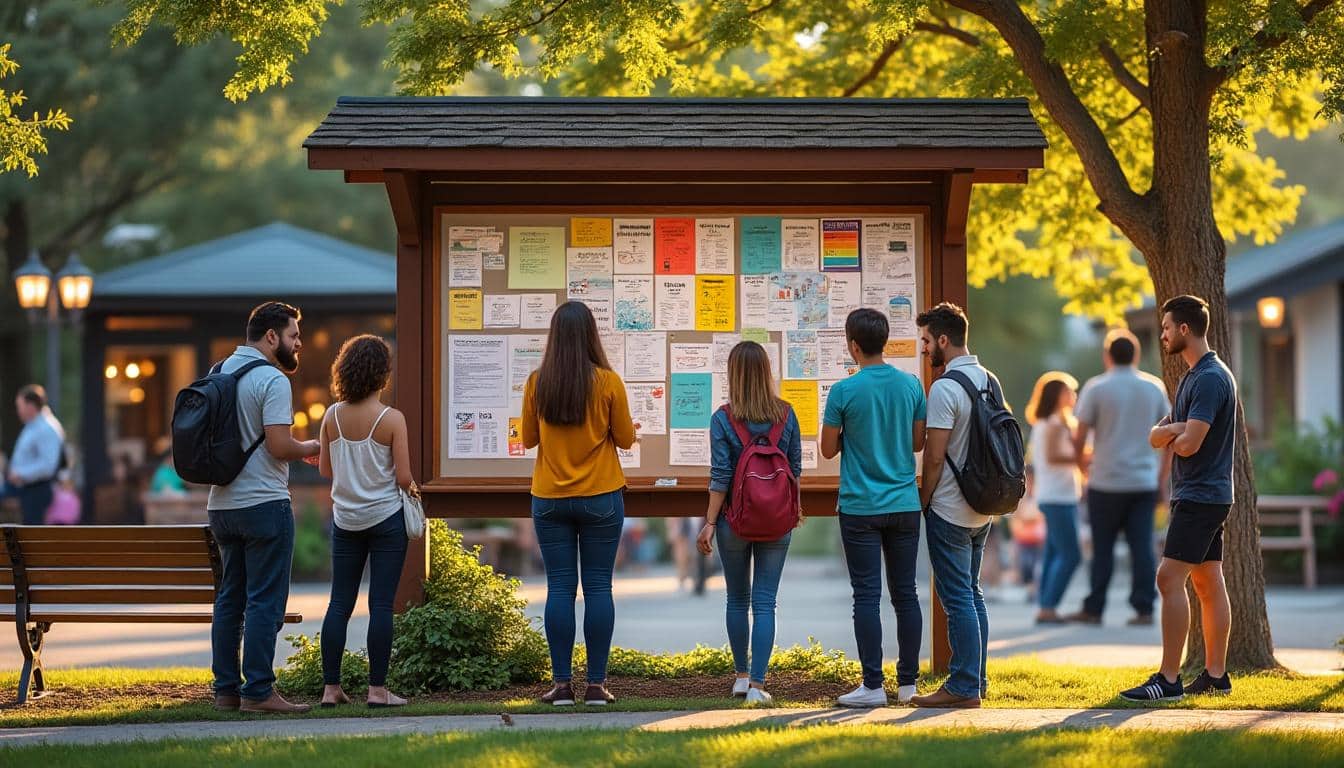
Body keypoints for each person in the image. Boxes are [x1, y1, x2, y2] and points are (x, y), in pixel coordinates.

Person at [1121, 295, 1238, 702]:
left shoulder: (1208, 378)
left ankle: (1168, 680)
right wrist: (1175, 431)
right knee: (1207, 582)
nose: (1164, 334)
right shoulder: (1192, 376)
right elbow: (1160, 435)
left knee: (1168, 578)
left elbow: (1186, 445)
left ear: (1184, 329)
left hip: (1202, 495)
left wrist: (1174, 433)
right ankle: (1216, 676)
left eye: (1167, 328)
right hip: (1200, 493)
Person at [523, 301, 637, 707]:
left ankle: (560, 686)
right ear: (592, 334)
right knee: (598, 588)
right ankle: (595, 686)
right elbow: (624, 439)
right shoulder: (608, 382)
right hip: (601, 497)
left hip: (550, 498)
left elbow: (529, 439)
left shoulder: (538, 383)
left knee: (559, 588)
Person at [207, 301, 319, 715]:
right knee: (263, 602)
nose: (298, 343)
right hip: (264, 504)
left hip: (221, 506)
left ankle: (225, 691)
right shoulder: (271, 379)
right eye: (293, 335)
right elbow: (278, 445)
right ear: (271, 337)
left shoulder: (219, 372)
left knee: (229, 600)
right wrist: (311, 446)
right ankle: (258, 691)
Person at [820, 308, 927, 708]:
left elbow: (828, 449)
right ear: (884, 342)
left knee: (866, 594)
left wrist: (853, 436)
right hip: (904, 503)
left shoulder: (843, 391)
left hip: (860, 507)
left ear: (852, 345)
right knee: (906, 594)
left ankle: (872, 686)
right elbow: (917, 443)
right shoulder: (912, 386)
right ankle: (909, 684)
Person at [695, 341, 802, 706]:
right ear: (766, 372)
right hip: (777, 523)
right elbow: (795, 469)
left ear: (733, 375)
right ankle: (758, 685)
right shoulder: (786, 414)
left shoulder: (723, 419)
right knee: (766, 602)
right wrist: (793, 510)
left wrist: (710, 522)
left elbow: (721, 475)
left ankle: (740, 677)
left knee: (737, 598)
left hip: (733, 523)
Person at [315, 335, 412, 709]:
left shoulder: (330, 416)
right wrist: (415, 490)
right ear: (382, 374)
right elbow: (403, 477)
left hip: (346, 519)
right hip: (386, 518)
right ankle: (377, 690)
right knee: (381, 605)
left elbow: (326, 469)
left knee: (339, 602)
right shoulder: (392, 419)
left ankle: (330, 689)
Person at [911, 302, 997, 709]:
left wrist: (923, 500)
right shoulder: (988, 380)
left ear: (944, 340)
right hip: (983, 507)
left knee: (958, 597)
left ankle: (963, 687)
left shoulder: (945, 387)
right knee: (972, 593)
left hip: (949, 506)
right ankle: (976, 680)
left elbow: (933, 455)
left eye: (927, 340)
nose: (924, 349)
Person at [1066, 329, 1169, 626]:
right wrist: (1162, 479)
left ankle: (1095, 608)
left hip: (1105, 481)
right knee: (1142, 547)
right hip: (1143, 481)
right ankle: (1145, 608)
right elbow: (1170, 437)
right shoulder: (1154, 388)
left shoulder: (1096, 388)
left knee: (1102, 549)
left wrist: (1083, 470)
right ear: (1136, 355)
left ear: (1107, 356)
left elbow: (1079, 435)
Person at [1025, 371, 1083, 624]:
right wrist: (1083, 458)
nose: (1073, 396)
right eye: (1068, 391)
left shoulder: (1050, 423)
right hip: (1058, 497)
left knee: (1052, 553)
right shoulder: (1054, 424)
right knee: (1071, 554)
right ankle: (1048, 605)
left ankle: (1044, 604)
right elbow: (1052, 457)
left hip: (1056, 495)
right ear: (1056, 396)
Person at [2, 385, 66, 524]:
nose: (18, 411)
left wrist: (20, 474)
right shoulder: (33, 425)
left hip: (36, 490)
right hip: (25, 488)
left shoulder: (46, 428)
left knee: (31, 536)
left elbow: (48, 466)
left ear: (30, 406)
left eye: (20, 406)